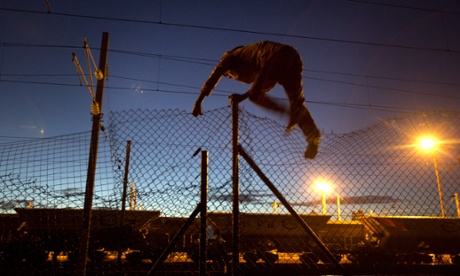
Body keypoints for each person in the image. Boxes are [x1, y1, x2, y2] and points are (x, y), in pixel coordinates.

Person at [192, 41, 321, 159]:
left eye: (229, 76)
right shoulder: (250, 56)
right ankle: (312, 136)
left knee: (257, 96)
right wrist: (242, 97)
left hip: (275, 57)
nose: (231, 77)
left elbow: (216, 74)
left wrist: (199, 101)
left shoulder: (229, 57)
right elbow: (259, 87)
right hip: (293, 56)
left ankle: (290, 114)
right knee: (297, 101)